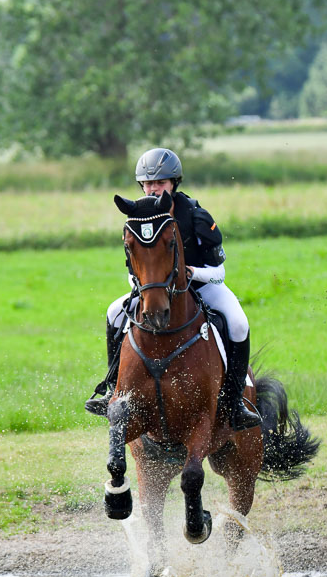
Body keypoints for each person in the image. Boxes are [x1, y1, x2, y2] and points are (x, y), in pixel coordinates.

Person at [85, 147, 261, 431]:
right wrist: (142, 288)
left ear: (173, 183)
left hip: (203, 287)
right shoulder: (136, 217)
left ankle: (235, 400)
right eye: (148, 183)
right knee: (113, 312)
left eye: (160, 183)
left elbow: (219, 271)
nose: (153, 189)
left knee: (239, 323)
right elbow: (133, 270)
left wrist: (193, 273)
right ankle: (111, 389)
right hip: (156, 292)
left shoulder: (195, 215)